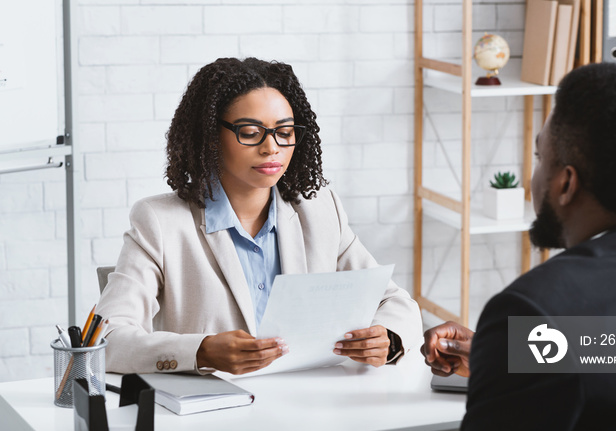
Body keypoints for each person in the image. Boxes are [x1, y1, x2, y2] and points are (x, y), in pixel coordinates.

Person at [96, 57, 422, 375]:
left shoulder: (320, 210)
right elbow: (107, 339)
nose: (271, 148)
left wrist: (387, 338)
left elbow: (396, 303)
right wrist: (201, 351)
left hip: (311, 406)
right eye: (250, 132)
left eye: (284, 131)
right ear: (210, 135)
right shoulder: (160, 222)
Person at [422, 62, 616, 430]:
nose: (533, 176)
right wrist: (513, 356)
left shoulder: (535, 309)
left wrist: (516, 347)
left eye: (540, 159)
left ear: (566, 184)